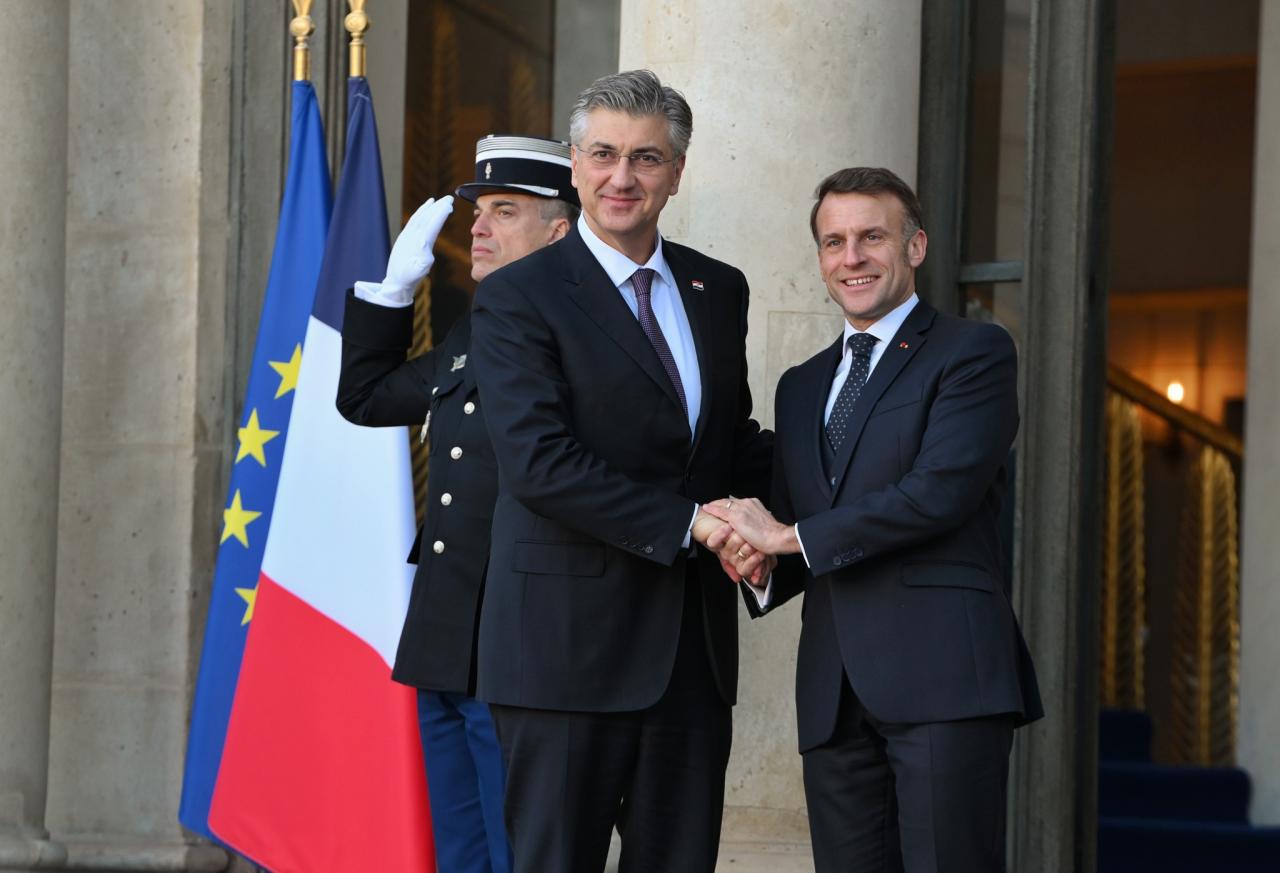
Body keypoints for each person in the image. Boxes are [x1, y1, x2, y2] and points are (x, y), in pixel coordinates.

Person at [468, 70, 773, 873]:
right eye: (603, 154)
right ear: (575, 165)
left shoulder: (717, 289)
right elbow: (540, 464)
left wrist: (853, 456)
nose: (622, 177)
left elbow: (729, 446)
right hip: (561, 657)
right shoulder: (519, 296)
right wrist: (696, 524)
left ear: (676, 172)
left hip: (691, 660)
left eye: (646, 157)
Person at [705, 167, 1043, 873]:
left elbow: (938, 493)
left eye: (871, 237)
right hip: (834, 692)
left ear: (915, 247)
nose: (851, 257)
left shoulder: (973, 353)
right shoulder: (800, 386)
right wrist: (758, 562)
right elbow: (799, 523)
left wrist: (787, 537)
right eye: (834, 242)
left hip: (945, 680)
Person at [335, 135, 580, 873]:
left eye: (505, 211)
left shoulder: (582, 331)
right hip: (446, 630)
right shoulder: (476, 329)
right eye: (478, 211)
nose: (478, 227)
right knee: (460, 848)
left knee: (516, 849)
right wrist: (392, 293)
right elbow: (366, 398)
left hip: (516, 633)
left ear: (558, 231)